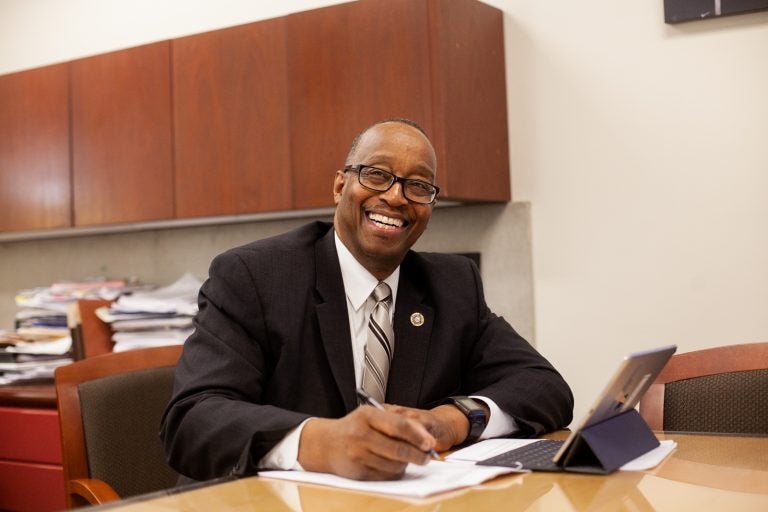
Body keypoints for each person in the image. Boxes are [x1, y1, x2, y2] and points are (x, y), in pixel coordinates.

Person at [160, 119, 573, 482]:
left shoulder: (452, 283)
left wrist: (454, 419)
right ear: (341, 185)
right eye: (377, 175)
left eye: (419, 185)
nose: (396, 197)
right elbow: (192, 420)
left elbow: (546, 387)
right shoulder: (254, 277)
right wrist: (322, 443)